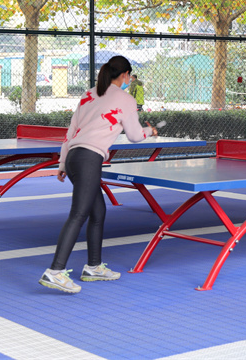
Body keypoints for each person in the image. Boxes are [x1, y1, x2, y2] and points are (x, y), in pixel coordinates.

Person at [39, 56, 158, 293]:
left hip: (74, 157)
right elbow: (135, 135)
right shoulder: (126, 99)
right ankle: (55, 271)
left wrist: (63, 162)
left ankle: (93, 267)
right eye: (129, 76)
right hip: (88, 159)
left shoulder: (89, 94)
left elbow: (71, 130)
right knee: (79, 214)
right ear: (125, 75)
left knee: (98, 211)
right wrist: (150, 131)